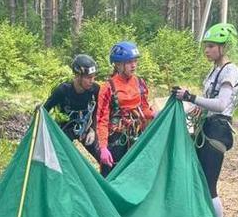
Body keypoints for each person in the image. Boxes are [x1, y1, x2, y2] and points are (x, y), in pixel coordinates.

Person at [172, 22, 238, 217]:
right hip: (207, 127)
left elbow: (221, 104)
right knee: (200, 181)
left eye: (212, 46)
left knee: (209, 185)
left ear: (224, 47)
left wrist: (191, 97)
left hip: (218, 131)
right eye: (207, 45)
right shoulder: (214, 71)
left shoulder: (230, 72)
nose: (207, 50)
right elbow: (205, 103)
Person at [96, 41, 156, 177]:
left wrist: (157, 115)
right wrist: (103, 148)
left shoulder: (140, 83)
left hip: (137, 136)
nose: (133, 65)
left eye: (135, 61)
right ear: (118, 64)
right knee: (112, 177)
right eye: (129, 62)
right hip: (116, 140)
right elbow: (102, 120)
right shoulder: (108, 88)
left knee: (136, 176)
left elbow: (145, 110)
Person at [43, 54, 101, 164]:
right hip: (65, 130)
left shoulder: (95, 90)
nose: (92, 81)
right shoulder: (63, 90)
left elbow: (98, 111)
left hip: (86, 128)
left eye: (94, 77)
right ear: (78, 76)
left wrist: (93, 130)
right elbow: (45, 110)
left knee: (102, 156)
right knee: (60, 160)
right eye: (88, 77)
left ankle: (105, 180)